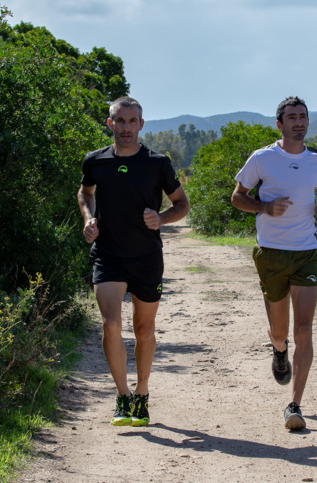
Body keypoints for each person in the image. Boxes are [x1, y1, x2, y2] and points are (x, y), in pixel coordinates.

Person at [77, 96, 190, 427]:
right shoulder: (95, 161)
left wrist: (161, 219)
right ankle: (122, 395)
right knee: (111, 323)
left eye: (132, 121)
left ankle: (142, 394)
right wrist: (88, 217)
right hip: (108, 255)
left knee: (144, 329)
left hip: (146, 258)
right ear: (110, 123)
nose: (125, 127)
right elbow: (85, 192)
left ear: (141, 124)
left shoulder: (157, 163)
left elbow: (182, 204)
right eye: (119, 121)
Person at [231, 96, 317, 430]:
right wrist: (264, 207)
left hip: (307, 251)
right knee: (280, 332)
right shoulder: (263, 158)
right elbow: (237, 197)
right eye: (292, 117)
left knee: (304, 329)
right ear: (280, 124)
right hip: (271, 252)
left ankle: (294, 405)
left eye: (303, 117)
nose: (299, 122)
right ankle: (279, 351)